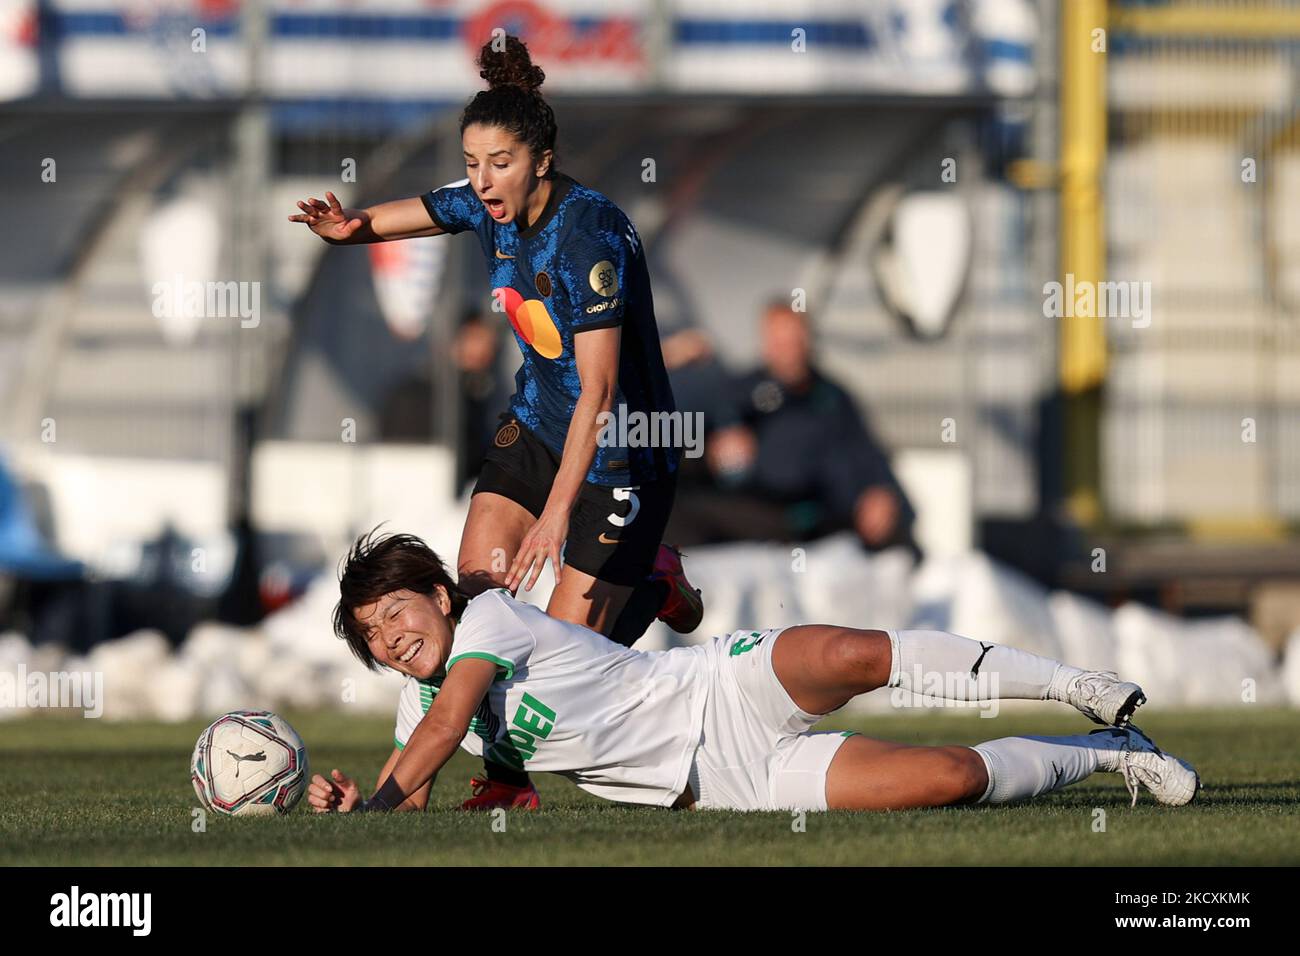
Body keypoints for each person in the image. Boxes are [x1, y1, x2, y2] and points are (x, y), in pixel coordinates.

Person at [290, 36, 703, 810]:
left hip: (620, 452)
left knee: (559, 654)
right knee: (480, 597)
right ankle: (503, 784)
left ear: (541, 159)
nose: (481, 181)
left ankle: (650, 581)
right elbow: (424, 211)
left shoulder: (589, 239)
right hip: (536, 425)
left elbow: (603, 390)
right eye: (472, 162)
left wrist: (554, 519)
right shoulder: (489, 205)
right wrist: (353, 228)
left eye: (499, 163)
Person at [311, 531, 1199, 815]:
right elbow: (409, 797)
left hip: (714, 684)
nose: (389, 638)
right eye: (372, 635)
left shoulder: (490, 617)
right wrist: (362, 811)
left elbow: (433, 741)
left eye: (396, 613)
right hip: (730, 782)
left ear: (438, 594)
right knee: (949, 776)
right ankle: (1113, 753)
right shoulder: (418, 707)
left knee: (856, 654)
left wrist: (377, 808)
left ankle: (1077, 682)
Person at [666, 300, 915, 552]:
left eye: (795, 341)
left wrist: (881, 494)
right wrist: (713, 455)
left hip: (816, 521)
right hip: (749, 512)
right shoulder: (738, 394)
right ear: (765, 345)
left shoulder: (832, 400)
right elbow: (687, 450)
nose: (789, 351)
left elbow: (869, 457)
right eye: (780, 342)